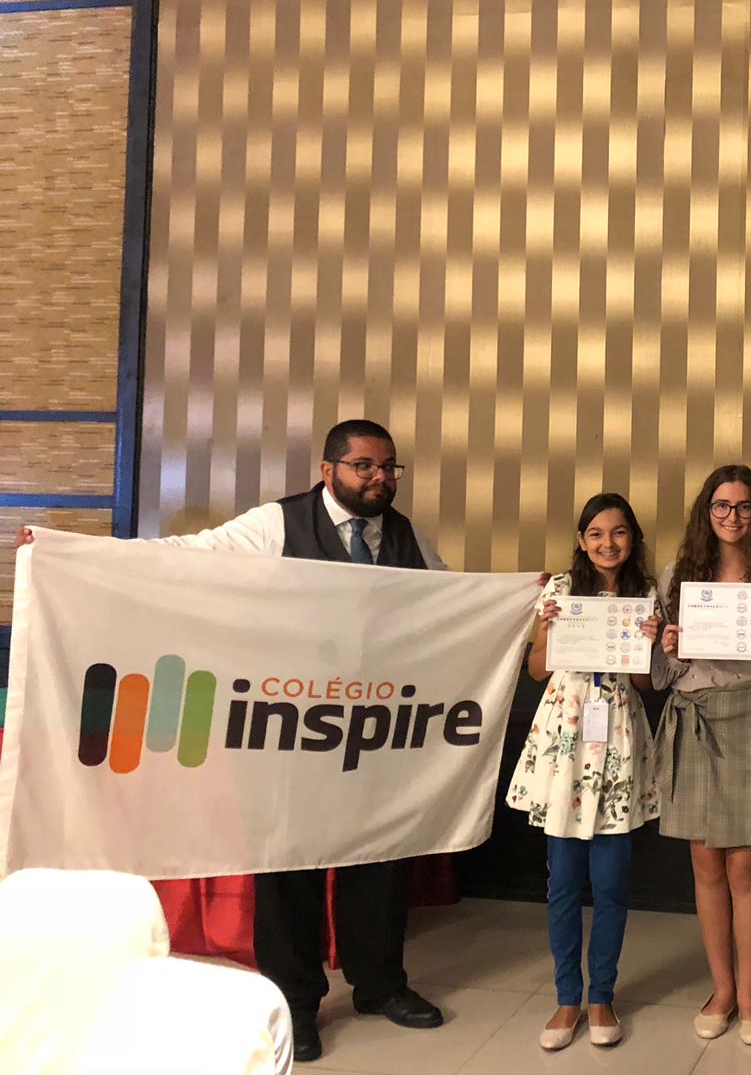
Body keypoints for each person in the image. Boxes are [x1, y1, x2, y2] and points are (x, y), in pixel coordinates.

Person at [29, 419, 448, 1065]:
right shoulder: (277, 524)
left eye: (389, 467)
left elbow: (450, 602)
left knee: (378, 860)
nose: (380, 478)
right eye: (364, 466)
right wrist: (73, 553)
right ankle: (296, 1002)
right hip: (290, 731)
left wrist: (521, 602)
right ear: (328, 470)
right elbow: (188, 556)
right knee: (288, 868)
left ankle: (380, 985)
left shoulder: (407, 535)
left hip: (373, 732)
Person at [652, 465, 751, 1045]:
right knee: (705, 864)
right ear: (706, 511)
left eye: (744, 506)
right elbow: (662, 674)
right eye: (722, 505)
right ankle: (721, 989)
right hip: (695, 715)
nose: (732, 516)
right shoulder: (677, 577)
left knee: (747, 868)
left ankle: (750, 992)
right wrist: (667, 646)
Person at [506, 493, 660, 1051]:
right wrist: (547, 629)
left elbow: (646, 684)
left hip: (618, 739)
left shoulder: (647, 595)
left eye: (618, 532)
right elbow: (536, 669)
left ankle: (603, 996)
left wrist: (648, 645)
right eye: (596, 533)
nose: (607, 543)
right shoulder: (559, 590)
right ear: (581, 540)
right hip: (565, 741)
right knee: (564, 883)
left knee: (613, 881)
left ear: (632, 539)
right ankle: (567, 997)